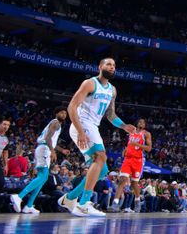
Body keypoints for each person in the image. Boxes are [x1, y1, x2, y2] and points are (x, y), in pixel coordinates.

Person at [57, 58, 137, 218]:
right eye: (108, 64)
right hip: (82, 124)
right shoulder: (90, 83)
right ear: (100, 66)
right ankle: (84, 204)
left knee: (102, 171)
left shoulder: (112, 90)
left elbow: (110, 115)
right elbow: (71, 106)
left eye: (114, 65)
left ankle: (69, 198)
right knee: (100, 157)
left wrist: (124, 126)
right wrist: (80, 131)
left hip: (93, 126)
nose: (112, 67)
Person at [10, 106, 68, 215]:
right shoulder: (56, 123)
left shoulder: (54, 124)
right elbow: (47, 138)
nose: (64, 115)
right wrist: (52, 151)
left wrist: (61, 150)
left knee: (42, 178)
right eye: (61, 112)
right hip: (44, 149)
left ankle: (29, 205)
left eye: (65, 113)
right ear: (56, 114)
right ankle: (19, 197)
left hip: (43, 149)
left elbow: (51, 140)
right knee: (43, 177)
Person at [110, 118, 152, 213]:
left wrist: (137, 144)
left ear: (145, 125)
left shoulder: (146, 134)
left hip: (138, 161)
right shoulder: (132, 130)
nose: (141, 123)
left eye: (143, 122)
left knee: (134, 183)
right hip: (128, 159)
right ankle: (115, 203)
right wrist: (126, 148)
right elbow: (129, 140)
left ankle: (137, 200)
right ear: (137, 123)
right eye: (140, 121)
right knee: (122, 180)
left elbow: (149, 148)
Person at [0, 119, 11, 199]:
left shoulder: (6, 139)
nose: (6, 127)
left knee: (1, 182)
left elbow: (5, 152)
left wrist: (6, 165)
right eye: (4, 124)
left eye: (8, 125)